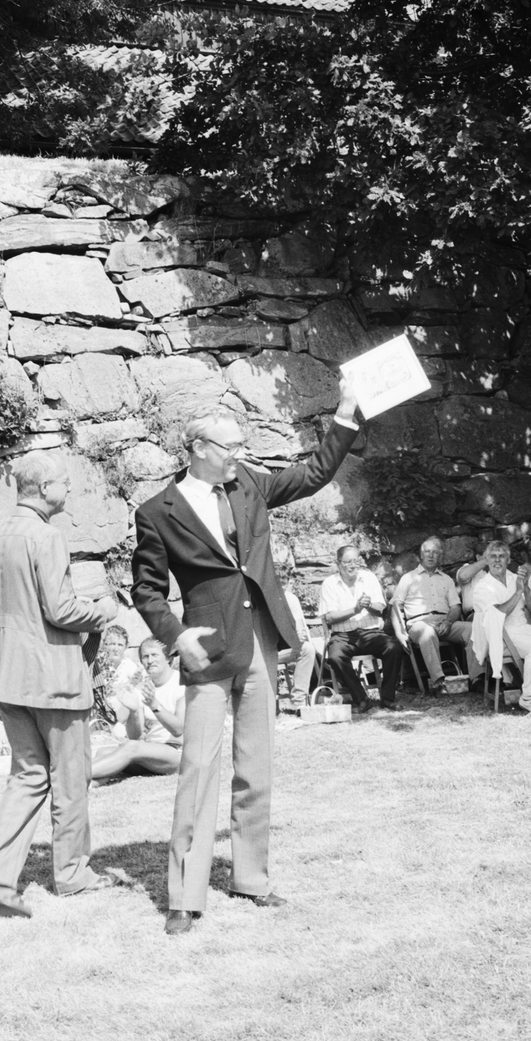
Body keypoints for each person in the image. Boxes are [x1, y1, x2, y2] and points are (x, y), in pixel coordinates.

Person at [131, 381, 360, 936]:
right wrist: (175, 634)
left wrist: (347, 413)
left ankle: (252, 878)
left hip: (261, 637)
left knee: (256, 766)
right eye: (230, 445)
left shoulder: (248, 483)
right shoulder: (157, 512)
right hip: (207, 645)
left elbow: (312, 474)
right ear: (198, 448)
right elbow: (147, 590)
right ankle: (184, 896)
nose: (240, 453)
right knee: (198, 768)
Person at [0, 450, 120, 919]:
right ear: (45, 487)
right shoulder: (47, 536)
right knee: (70, 779)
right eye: (64, 482)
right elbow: (60, 610)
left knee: (28, 775)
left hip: (10, 675)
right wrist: (103, 611)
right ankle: (72, 874)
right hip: (54, 678)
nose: (68, 489)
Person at [469, 542, 531, 714]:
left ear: (508, 560)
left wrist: (525, 587)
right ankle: (528, 698)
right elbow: (498, 614)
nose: (497, 560)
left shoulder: (515, 578)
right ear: (487, 560)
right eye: (493, 556)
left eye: (502, 556)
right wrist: (517, 592)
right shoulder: (483, 586)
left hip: (523, 629)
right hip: (499, 636)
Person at [318, 545, 402, 711]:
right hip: (342, 636)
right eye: (348, 562)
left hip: (371, 632)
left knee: (394, 647)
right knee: (335, 657)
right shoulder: (329, 583)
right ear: (338, 564)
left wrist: (368, 605)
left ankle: (388, 698)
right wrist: (355, 610)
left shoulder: (368, 578)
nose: (353, 566)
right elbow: (329, 617)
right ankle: (361, 699)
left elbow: (381, 608)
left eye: (356, 561)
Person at [91, 637, 185, 782]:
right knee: (104, 751)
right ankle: (93, 783)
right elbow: (135, 737)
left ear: (168, 658)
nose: (150, 660)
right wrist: (134, 712)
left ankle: (77, 777)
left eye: (154, 655)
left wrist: (155, 705)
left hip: (176, 752)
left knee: (131, 747)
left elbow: (178, 729)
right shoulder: (143, 687)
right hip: (150, 751)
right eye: (145, 657)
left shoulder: (181, 683)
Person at [391, 536, 478, 693]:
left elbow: (455, 607)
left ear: (440, 556)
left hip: (445, 622)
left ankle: (477, 679)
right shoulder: (408, 578)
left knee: (472, 628)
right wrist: (399, 633)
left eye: (435, 552)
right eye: (427, 552)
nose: (431, 556)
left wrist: (448, 621)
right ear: (421, 555)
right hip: (419, 624)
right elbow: (396, 606)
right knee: (427, 632)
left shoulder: (446, 580)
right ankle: (439, 682)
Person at [277, 564, 317, 709]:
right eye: (277, 582)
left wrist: (299, 634)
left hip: (284, 648)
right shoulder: (260, 598)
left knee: (307, 649)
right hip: (266, 651)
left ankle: (298, 702)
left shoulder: (291, 599)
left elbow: (299, 627)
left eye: (283, 583)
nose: (280, 587)